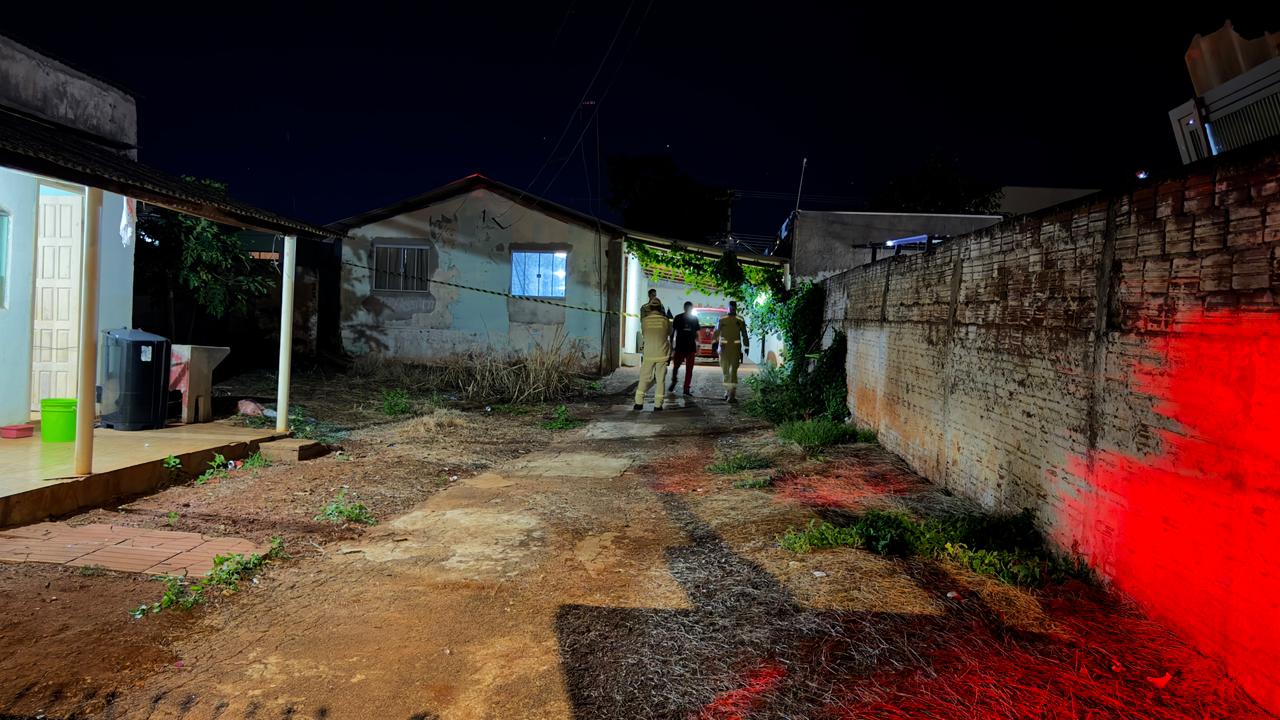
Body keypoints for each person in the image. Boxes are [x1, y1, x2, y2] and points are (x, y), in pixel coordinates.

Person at [634, 296, 673, 412]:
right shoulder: (665, 321)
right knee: (660, 380)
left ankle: (638, 403)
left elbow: (644, 333)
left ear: (650, 308)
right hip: (662, 353)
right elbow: (669, 333)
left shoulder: (644, 321)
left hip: (649, 353)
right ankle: (658, 405)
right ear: (661, 308)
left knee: (644, 378)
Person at [712, 300, 749, 403]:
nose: (732, 309)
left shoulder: (740, 319)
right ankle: (728, 391)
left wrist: (746, 346)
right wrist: (714, 343)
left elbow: (744, 333)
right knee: (725, 371)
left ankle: (732, 394)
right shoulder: (722, 319)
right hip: (724, 349)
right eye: (731, 308)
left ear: (736, 308)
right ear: (728, 308)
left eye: (733, 308)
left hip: (735, 349)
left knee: (733, 372)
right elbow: (716, 332)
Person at [668, 301, 700, 396]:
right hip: (681, 347)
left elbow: (697, 333)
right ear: (685, 308)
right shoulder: (678, 318)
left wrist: (698, 345)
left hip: (689, 347)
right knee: (676, 367)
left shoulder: (694, 319)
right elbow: (673, 332)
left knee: (688, 369)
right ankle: (675, 381)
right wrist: (671, 344)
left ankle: (686, 388)